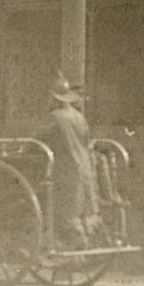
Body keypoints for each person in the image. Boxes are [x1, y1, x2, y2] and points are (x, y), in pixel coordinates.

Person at [35, 79, 101, 249]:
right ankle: (79, 241)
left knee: (63, 207)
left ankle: (69, 243)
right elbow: (86, 140)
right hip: (83, 166)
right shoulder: (79, 117)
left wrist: (22, 150)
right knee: (77, 206)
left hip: (65, 168)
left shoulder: (54, 117)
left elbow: (36, 140)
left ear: (54, 98)